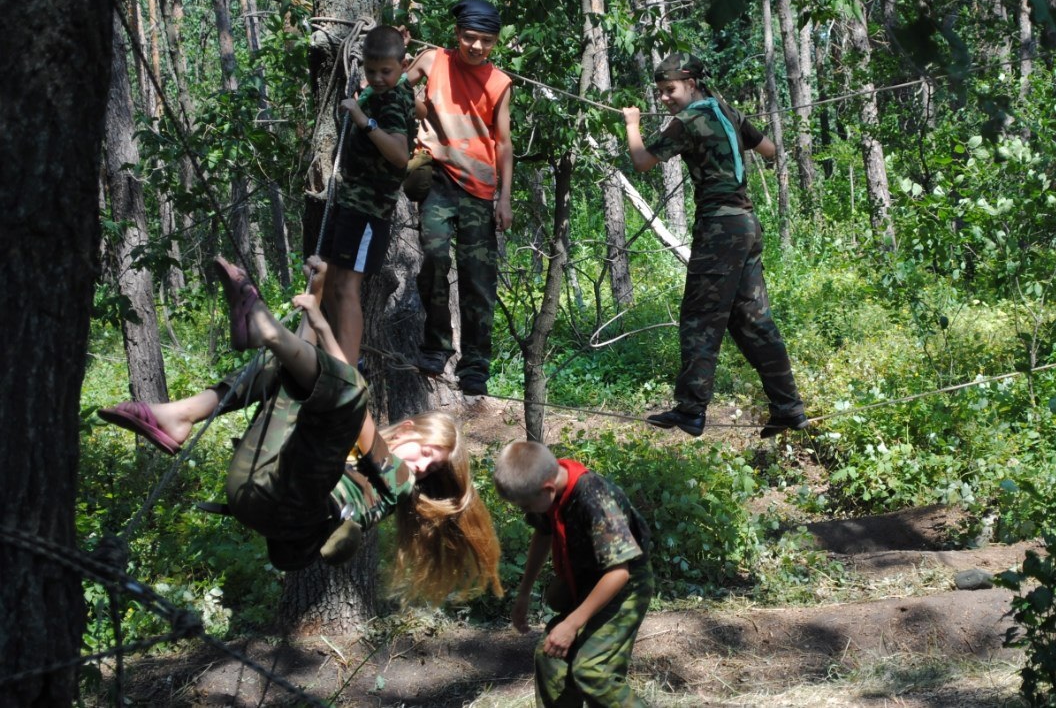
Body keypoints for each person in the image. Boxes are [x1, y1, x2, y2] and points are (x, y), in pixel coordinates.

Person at [98, 257, 502, 597]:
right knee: (289, 367)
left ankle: (264, 329)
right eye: (428, 453)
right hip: (256, 483)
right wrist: (317, 296)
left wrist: (321, 317)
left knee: (345, 391)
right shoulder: (354, 447)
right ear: (409, 429)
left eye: (432, 468)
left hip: (290, 508)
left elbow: (349, 390)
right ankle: (181, 415)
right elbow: (315, 368)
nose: (423, 467)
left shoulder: (398, 483)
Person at [621, 53, 808, 439]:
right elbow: (769, 149)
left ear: (691, 83)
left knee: (700, 318)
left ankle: (691, 410)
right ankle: (788, 408)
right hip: (747, 225)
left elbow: (641, 161)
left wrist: (632, 124)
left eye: (670, 90)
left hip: (720, 229)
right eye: (660, 92)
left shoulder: (689, 120)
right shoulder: (728, 111)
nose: (665, 98)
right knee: (752, 320)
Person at [403, 0, 514, 396]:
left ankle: (475, 367)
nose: (477, 47)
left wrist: (504, 198)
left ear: (496, 42)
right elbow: (394, 85)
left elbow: (504, 143)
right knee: (434, 259)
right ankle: (436, 347)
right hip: (437, 178)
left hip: (480, 189)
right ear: (456, 34)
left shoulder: (499, 83)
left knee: (478, 279)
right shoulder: (433, 60)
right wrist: (398, 55)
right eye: (469, 37)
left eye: (486, 40)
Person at [493, 440, 653, 708]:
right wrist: (524, 594)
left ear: (547, 489)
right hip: (586, 580)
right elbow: (543, 532)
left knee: (593, 672)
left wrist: (571, 624)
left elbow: (619, 573)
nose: (525, 512)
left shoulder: (593, 499)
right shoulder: (549, 488)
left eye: (526, 506)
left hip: (625, 587)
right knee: (550, 658)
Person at [320, 24, 415, 369]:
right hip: (351, 203)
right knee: (332, 282)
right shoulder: (395, 87)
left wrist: (364, 120)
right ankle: (340, 357)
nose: (377, 78)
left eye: (385, 72)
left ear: (402, 67)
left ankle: (347, 368)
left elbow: (401, 155)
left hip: (369, 208)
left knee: (346, 286)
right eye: (371, 71)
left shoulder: (389, 103)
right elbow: (401, 76)